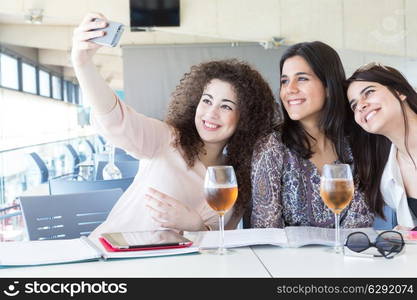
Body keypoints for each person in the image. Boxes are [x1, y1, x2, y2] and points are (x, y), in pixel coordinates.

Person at [71, 13, 277, 239]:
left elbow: (220, 244)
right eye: (206, 100)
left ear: (246, 118)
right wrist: (83, 64)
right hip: (110, 257)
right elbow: (115, 120)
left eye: (226, 106)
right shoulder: (166, 139)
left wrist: (196, 225)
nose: (211, 113)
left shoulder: (234, 181)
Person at [250, 41, 374, 228]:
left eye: (302, 79)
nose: (289, 89)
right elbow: (266, 230)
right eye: (284, 81)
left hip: (347, 255)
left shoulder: (358, 144)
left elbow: (359, 224)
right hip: (286, 257)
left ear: (328, 86)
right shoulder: (272, 147)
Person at [346, 62, 417, 229]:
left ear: (399, 91)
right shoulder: (388, 179)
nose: (361, 106)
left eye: (369, 92)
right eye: (354, 105)